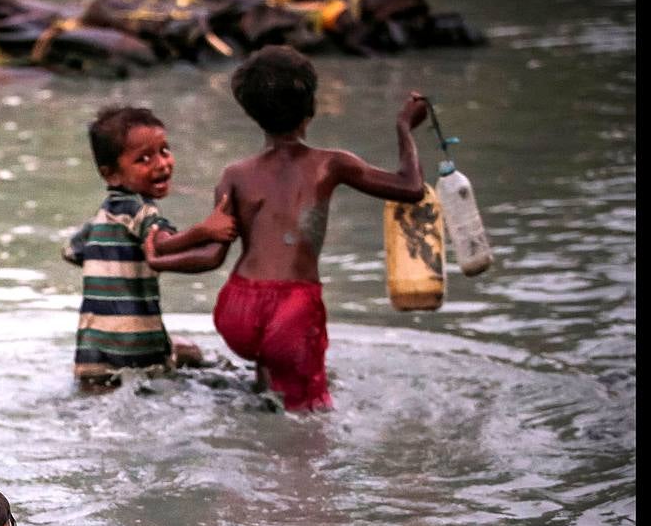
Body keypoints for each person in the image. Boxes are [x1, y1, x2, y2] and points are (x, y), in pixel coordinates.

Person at [144, 45, 428, 411]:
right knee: (309, 418)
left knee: (269, 386)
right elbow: (411, 188)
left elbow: (213, 256)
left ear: (252, 113)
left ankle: (264, 393)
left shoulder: (235, 175)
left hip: (238, 307)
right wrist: (405, 127)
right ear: (311, 107)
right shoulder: (331, 164)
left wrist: (158, 260)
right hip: (292, 307)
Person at [62, 105, 237, 387]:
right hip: (139, 350)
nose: (161, 164)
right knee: (196, 359)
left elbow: (71, 252)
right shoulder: (141, 211)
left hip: (91, 355)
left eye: (164, 151)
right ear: (112, 175)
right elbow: (164, 246)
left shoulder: (100, 219)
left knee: (182, 352)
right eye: (144, 159)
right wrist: (206, 230)